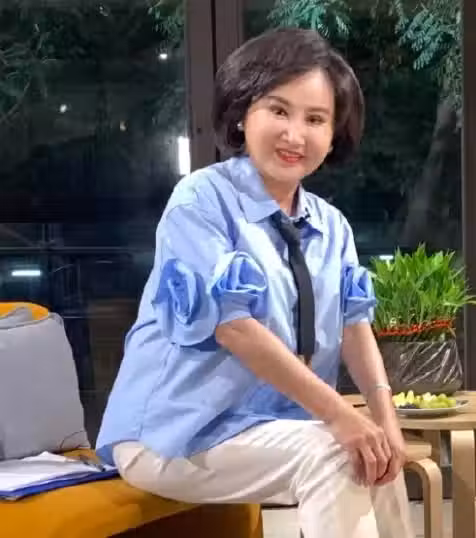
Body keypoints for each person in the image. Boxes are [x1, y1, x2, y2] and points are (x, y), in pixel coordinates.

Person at [96, 27, 414, 538]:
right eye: (278, 110)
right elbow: (234, 329)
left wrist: (385, 420)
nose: (295, 134)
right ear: (244, 112)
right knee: (338, 452)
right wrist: (340, 416)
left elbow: (355, 328)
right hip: (171, 435)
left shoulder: (332, 226)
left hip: (263, 429)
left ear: (334, 135)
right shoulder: (200, 201)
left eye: (316, 119)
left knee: (378, 456)